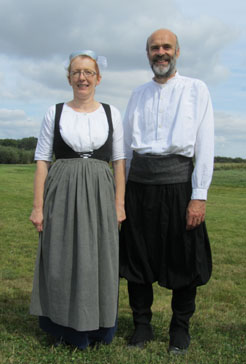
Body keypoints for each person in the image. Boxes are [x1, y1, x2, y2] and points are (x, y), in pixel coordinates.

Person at [119, 29, 214, 355]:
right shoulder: (137, 94)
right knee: (137, 260)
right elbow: (127, 150)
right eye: (154, 48)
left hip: (178, 186)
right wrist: (122, 196)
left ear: (177, 51)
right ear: (147, 54)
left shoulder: (196, 89)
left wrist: (198, 194)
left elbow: (205, 145)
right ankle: (142, 326)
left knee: (184, 261)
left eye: (166, 47)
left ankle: (179, 329)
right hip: (139, 187)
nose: (160, 52)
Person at [29, 50, 126, 350]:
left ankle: (98, 328)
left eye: (88, 72)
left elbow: (120, 162)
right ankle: (63, 326)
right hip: (62, 189)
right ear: (68, 77)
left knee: (100, 258)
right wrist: (37, 207)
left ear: (98, 78)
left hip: (100, 191)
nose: (82, 78)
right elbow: (42, 161)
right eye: (76, 72)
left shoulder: (112, 113)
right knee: (61, 255)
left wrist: (119, 204)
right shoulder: (54, 112)